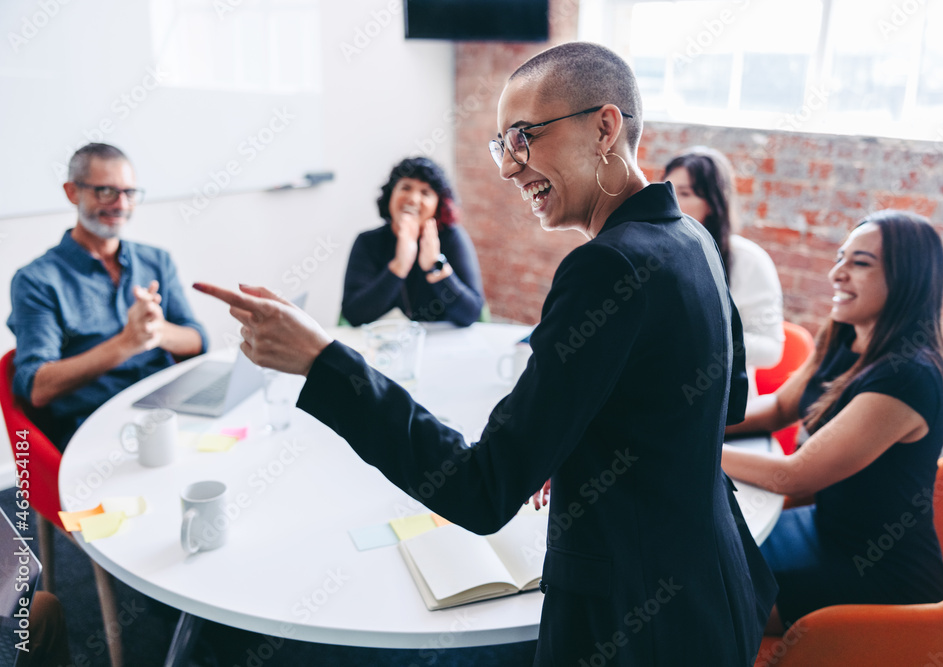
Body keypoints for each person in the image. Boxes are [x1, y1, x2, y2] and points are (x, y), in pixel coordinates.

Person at [195, 41, 776, 666]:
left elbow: (482, 489)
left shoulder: (606, 266)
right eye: (502, 144)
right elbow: (724, 399)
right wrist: (582, 437)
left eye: (524, 136)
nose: (507, 167)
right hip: (716, 587)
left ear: (605, 127)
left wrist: (322, 361)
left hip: (635, 623)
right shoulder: (689, 236)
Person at [722, 210, 943, 633]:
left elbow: (793, 477)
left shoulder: (908, 376)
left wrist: (692, 443)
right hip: (822, 528)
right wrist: (688, 420)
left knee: (704, 598)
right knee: (695, 550)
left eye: (860, 263)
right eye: (841, 257)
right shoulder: (846, 336)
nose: (836, 273)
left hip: (878, 573)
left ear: (909, 277)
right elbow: (776, 410)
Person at [7, 143, 207, 449]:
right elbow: (36, 386)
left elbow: (197, 341)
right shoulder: (36, 281)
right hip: (97, 430)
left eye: (129, 193)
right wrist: (126, 343)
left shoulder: (156, 261)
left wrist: (157, 332)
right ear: (72, 192)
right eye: (106, 191)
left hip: (170, 413)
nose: (121, 204)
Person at [664, 147, 785, 371]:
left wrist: (708, 338)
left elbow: (772, 350)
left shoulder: (749, 260)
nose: (671, 201)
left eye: (685, 193)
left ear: (712, 203)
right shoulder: (654, 255)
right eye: (667, 191)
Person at [340, 157, 485, 327]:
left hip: (441, 344)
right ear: (390, 194)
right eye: (406, 187)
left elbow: (471, 314)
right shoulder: (367, 242)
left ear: (438, 205)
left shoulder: (452, 237)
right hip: (385, 344)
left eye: (426, 193)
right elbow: (353, 314)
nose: (413, 199)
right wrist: (399, 266)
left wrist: (435, 266)